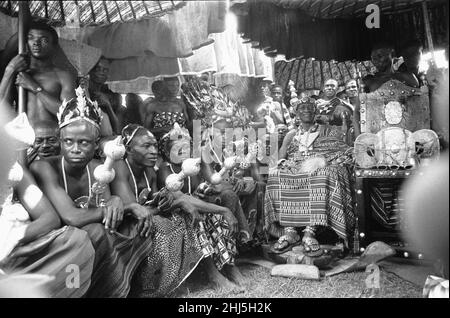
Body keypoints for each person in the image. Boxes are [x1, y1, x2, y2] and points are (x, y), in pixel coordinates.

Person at [29, 87, 166, 297]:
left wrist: (115, 203)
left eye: (84, 142)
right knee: (95, 232)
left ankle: (116, 286)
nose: (75, 148)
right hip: (56, 242)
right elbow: (71, 216)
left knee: (132, 225)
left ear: (96, 145)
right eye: (68, 141)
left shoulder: (98, 168)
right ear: (60, 141)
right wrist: (124, 205)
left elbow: (108, 209)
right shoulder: (44, 167)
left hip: (88, 236)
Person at [265, 97, 355, 256]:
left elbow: (341, 150)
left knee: (322, 175)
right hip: (296, 166)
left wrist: (320, 160)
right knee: (276, 176)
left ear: (316, 111)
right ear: (296, 112)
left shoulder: (328, 130)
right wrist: (282, 165)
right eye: (302, 107)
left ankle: (310, 231)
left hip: (319, 165)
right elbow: (280, 159)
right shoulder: (291, 134)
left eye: (309, 107)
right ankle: (290, 231)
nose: (306, 110)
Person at [0, 22, 76, 127]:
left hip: (51, 138)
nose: (36, 43)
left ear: (54, 46)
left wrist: (34, 87)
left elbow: (69, 114)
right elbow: (2, 108)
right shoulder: (18, 73)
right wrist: (10, 69)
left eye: (43, 40)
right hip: (23, 137)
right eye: (31, 38)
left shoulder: (63, 76)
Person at [88, 57, 125, 135]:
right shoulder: (81, 91)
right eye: (98, 69)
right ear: (90, 70)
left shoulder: (115, 97)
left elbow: (118, 129)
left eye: (105, 70)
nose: (102, 72)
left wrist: (108, 105)